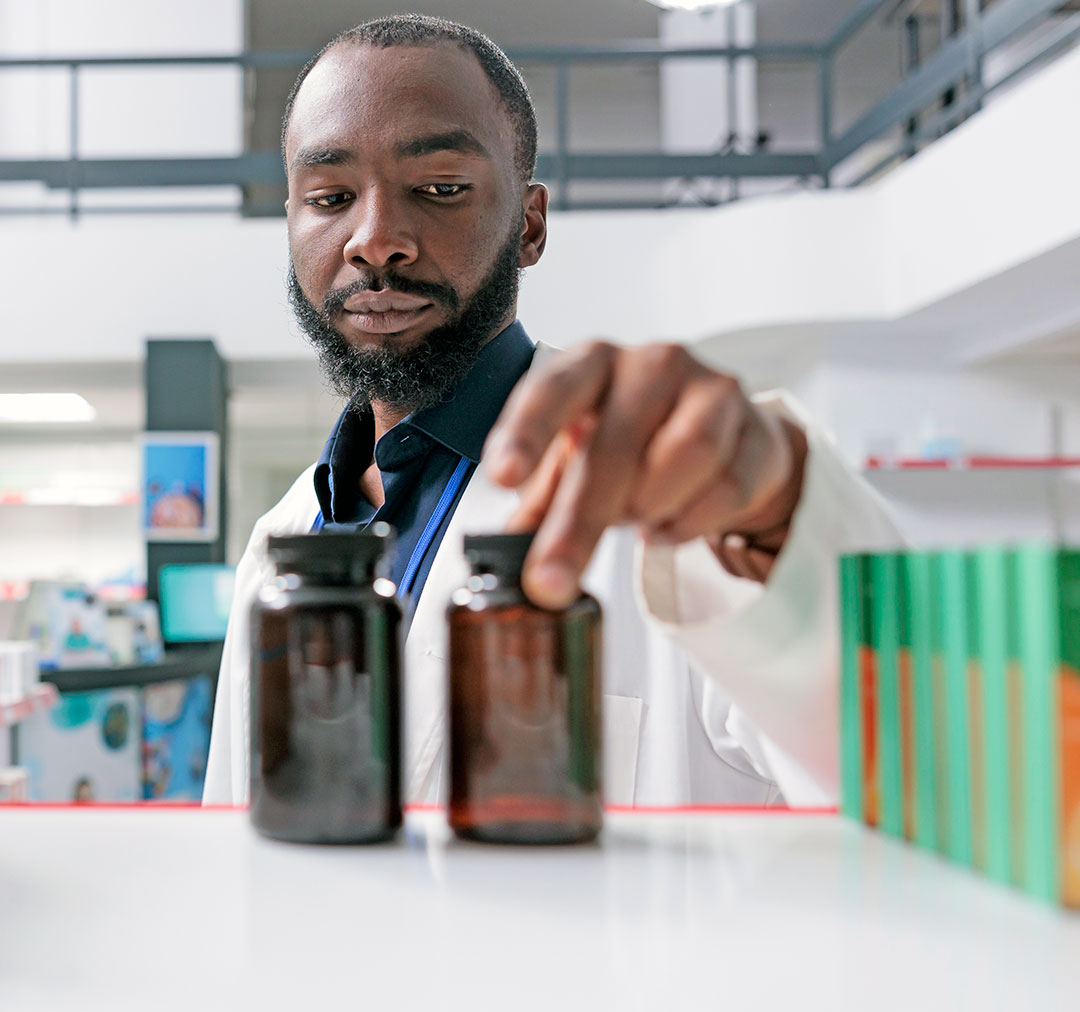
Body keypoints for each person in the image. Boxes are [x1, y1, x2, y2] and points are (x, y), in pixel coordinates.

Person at [203, 14, 899, 808]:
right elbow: (237, 847)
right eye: (329, 196)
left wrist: (785, 515)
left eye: (440, 189)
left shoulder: (671, 499)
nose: (377, 240)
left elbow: (919, 762)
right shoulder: (281, 542)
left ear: (528, 224)